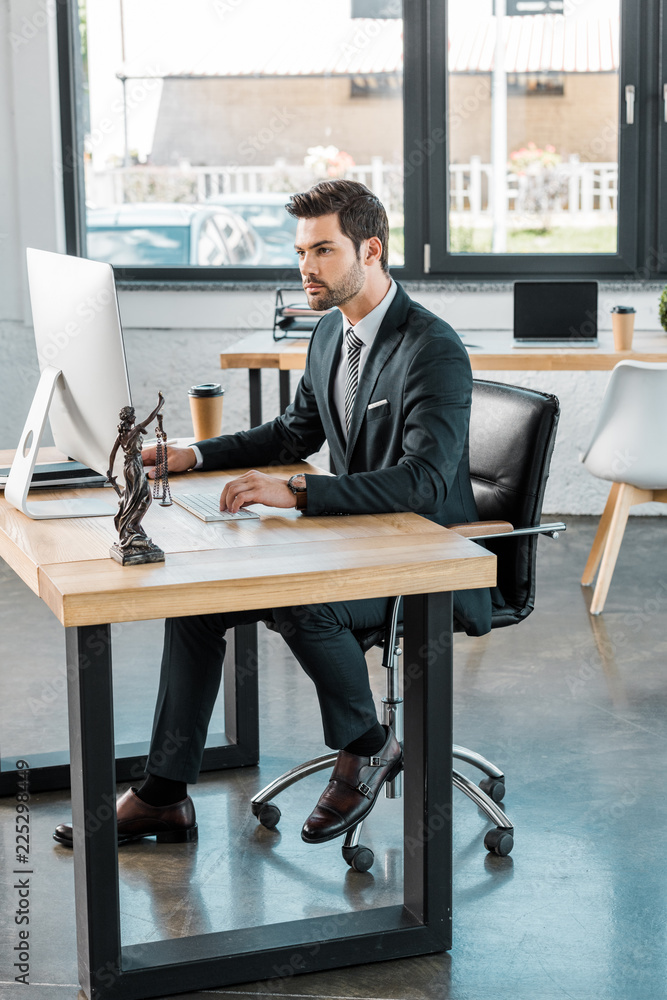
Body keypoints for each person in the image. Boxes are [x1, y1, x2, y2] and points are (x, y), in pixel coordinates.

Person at [54, 179, 494, 849]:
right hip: (358, 543)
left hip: (428, 560)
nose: (306, 268)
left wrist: (298, 493)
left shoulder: (430, 348)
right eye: (300, 251)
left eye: (323, 250)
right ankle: (163, 797)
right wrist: (193, 455)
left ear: (369, 250)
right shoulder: (330, 334)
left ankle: (367, 745)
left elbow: (425, 483)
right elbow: (291, 434)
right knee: (197, 604)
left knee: (298, 599)